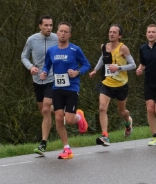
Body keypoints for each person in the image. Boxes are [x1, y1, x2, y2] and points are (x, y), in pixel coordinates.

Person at [40, 22, 91, 159]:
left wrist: (77, 72)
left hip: (72, 88)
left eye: (65, 32)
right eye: (60, 31)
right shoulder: (51, 51)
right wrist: (44, 72)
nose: (62, 34)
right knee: (58, 118)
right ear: (57, 33)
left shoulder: (75, 50)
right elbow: (47, 65)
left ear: (69, 35)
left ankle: (78, 116)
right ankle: (67, 148)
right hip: (57, 88)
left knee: (69, 120)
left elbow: (87, 64)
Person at [89, 24, 137, 146]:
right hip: (106, 83)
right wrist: (95, 70)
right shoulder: (104, 47)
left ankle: (128, 122)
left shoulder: (123, 48)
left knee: (122, 112)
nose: (111, 34)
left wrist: (118, 68)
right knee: (102, 108)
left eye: (114, 32)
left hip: (121, 84)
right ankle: (105, 136)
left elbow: (133, 65)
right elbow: (102, 58)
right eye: (110, 32)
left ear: (119, 35)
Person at [21, 15, 59, 156]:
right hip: (37, 80)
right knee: (45, 110)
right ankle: (71, 114)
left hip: (52, 78)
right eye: (46, 25)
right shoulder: (32, 40)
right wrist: (30, 67)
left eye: (51, 25)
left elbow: (66, 51)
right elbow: (23, 56)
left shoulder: (57, 38)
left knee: (45, 109)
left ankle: (43, 144)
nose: (49, 28)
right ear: (40, 26)